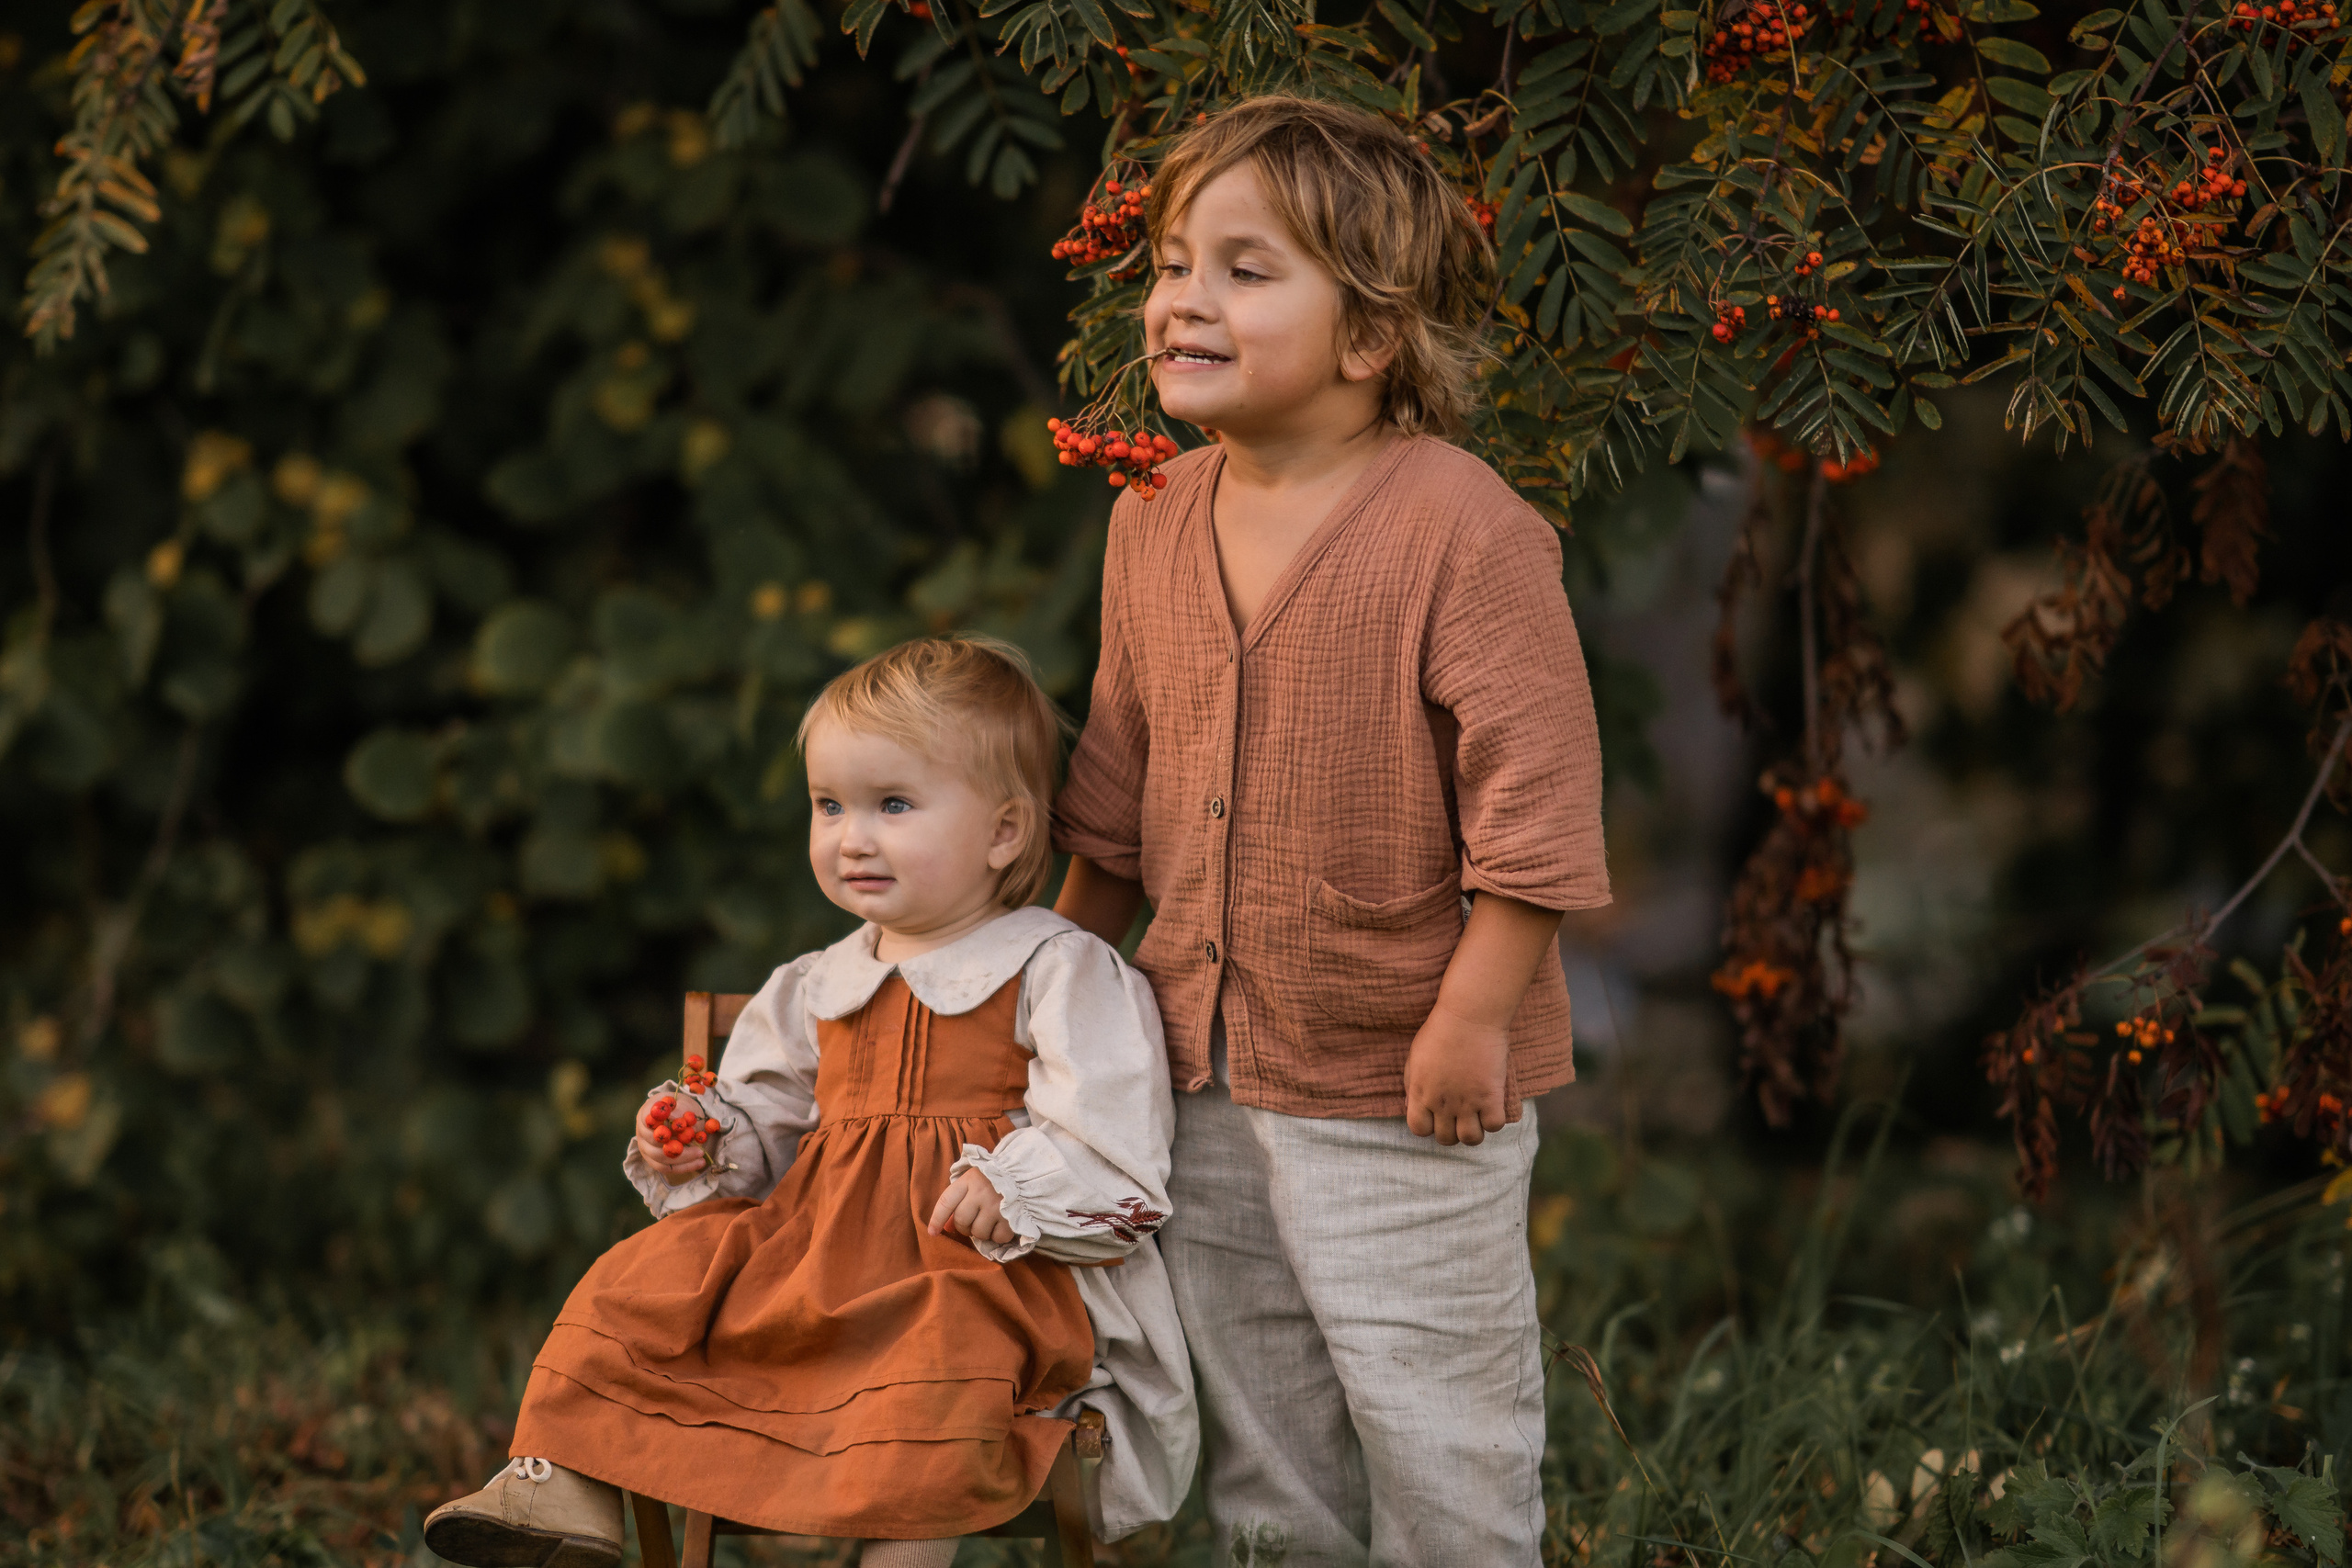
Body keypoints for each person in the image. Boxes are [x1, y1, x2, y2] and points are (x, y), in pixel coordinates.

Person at [1051, 96, 1611, 1565]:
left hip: (1402, 1072)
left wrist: (1474, 1016)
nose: (1183, 296)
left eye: (1246, 267)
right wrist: (1048, 990)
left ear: (1371, 336)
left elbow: (1536, 807)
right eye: (1172, 261)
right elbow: (1116, 786)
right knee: (1260, 1421)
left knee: (1438, 1414)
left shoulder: (1462, 527)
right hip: (1201, 1065)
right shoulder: (1151, 516)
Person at [425, 636, 1196, 1568]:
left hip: (974, 1270)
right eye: (828, 805)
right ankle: (563, 1487)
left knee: (937, 1358)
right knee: (648, 1273)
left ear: (1003, 831)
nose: (851, 836)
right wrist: (704, 1139)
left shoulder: (1056, 966)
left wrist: (1021, 1187)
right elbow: (762, 1126)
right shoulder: (814, 982)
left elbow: (1113, 1136)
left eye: (893, 805)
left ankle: (895, 1551)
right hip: (814, 1253)